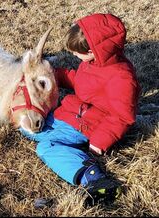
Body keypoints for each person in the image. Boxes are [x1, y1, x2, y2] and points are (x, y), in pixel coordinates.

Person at [20, 13, 140, 205]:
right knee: (28, 128)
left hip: (88, 126)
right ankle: (60, 141)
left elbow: (121, 116)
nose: (74, 55)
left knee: (46, 147)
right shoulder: (93, 63)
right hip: (70, 115)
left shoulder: (122, 78)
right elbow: (81, 82)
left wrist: (99, 142)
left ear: (93, 50)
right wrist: (56, 75)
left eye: (77, 52)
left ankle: (94, 178)